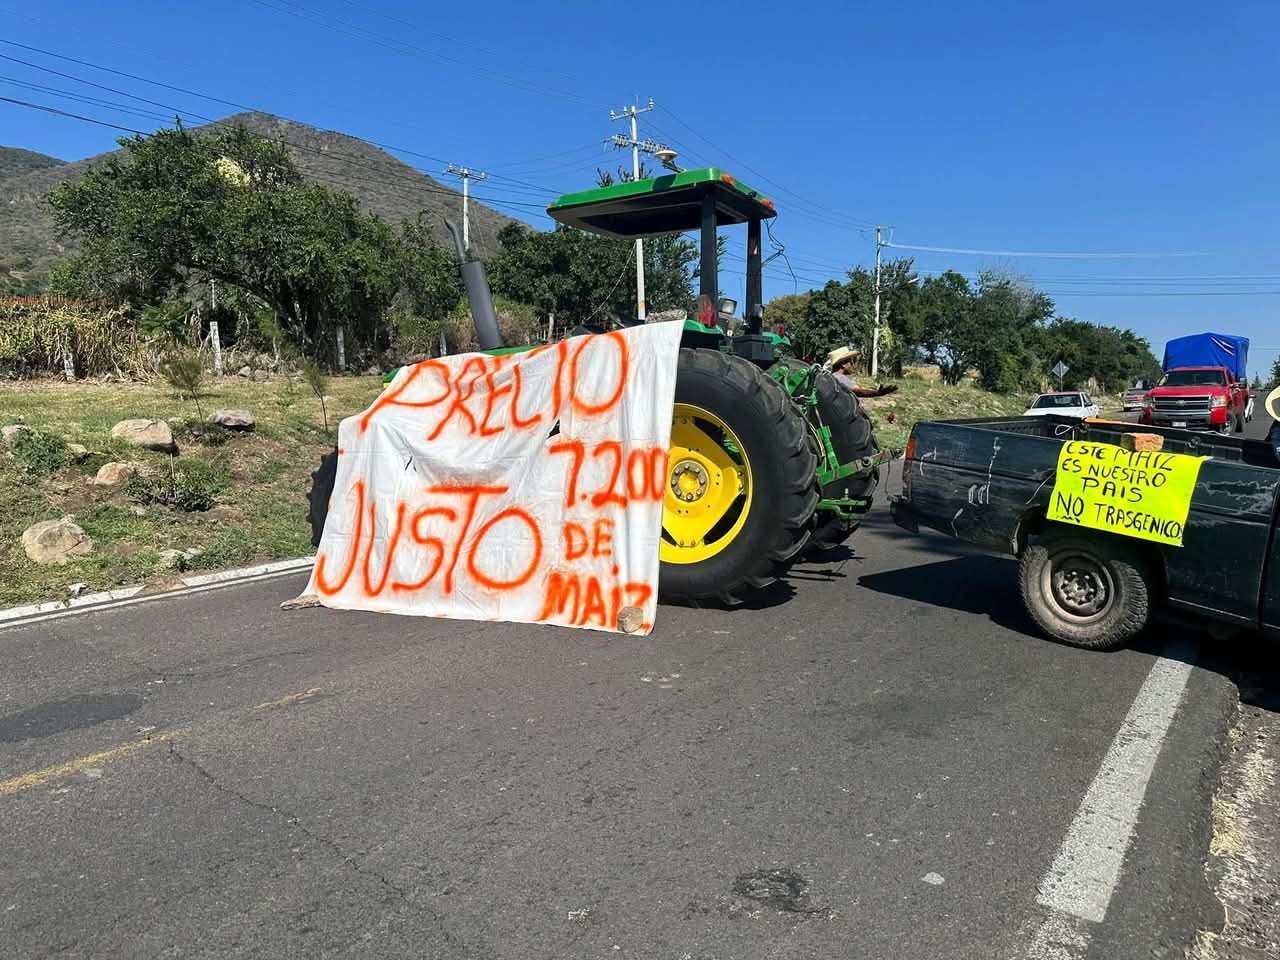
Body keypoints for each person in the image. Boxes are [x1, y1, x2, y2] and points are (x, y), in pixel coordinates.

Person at [825, 346, 899, 398]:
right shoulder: (840, 378)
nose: (852, 364)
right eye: (851, 361)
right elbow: (859, 392)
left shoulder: (830, 377)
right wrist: (878, 393)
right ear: (843, 364)